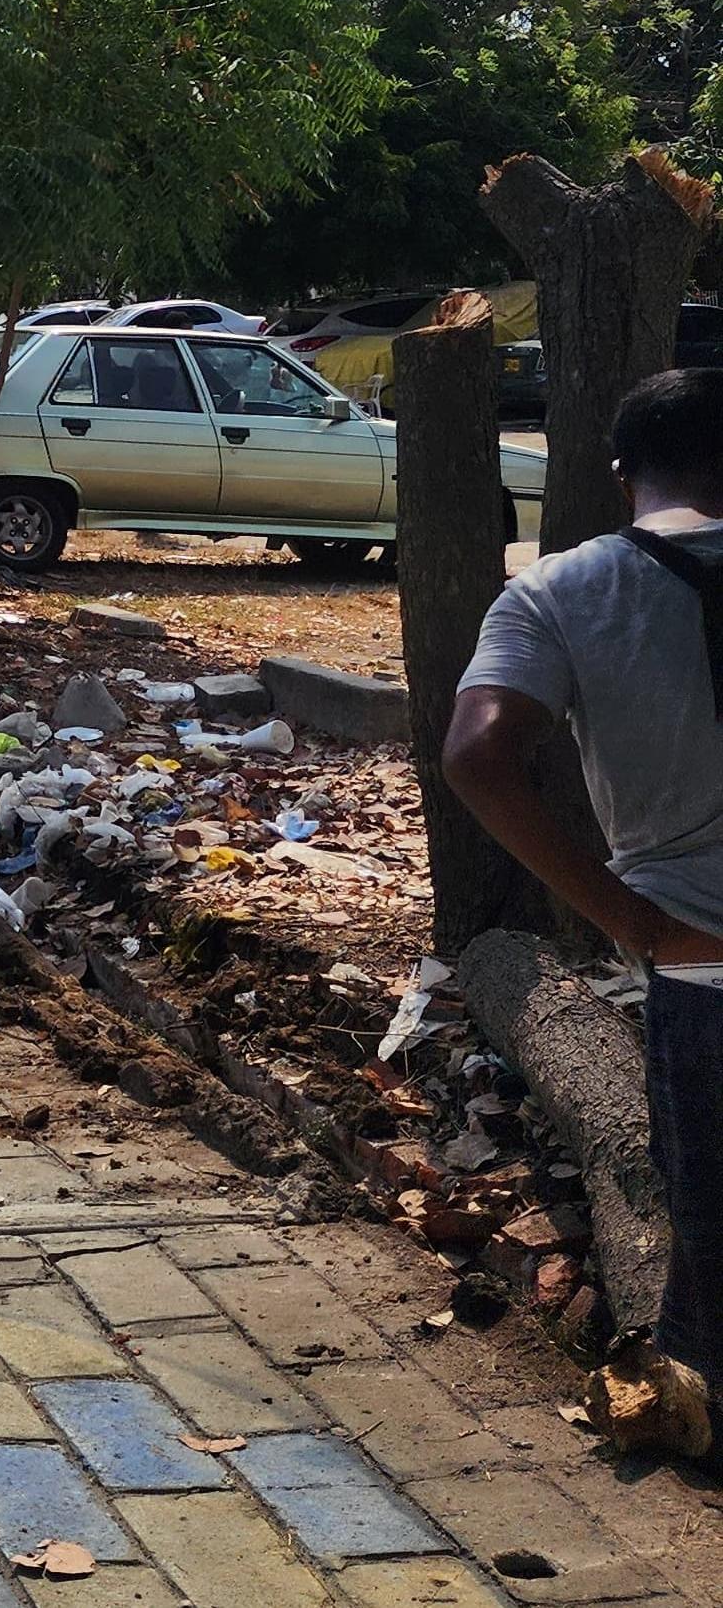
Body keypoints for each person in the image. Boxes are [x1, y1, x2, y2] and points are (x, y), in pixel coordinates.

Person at [447, 367, 723, 1456]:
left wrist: (636, 923)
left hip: (703, 965)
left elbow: (477, 755)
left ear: (620, 478)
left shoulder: (562, 591)